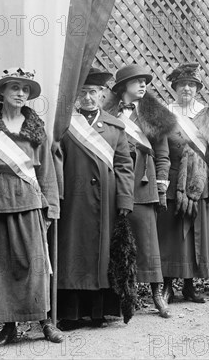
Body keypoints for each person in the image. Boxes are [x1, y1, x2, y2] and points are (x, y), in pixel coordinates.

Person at [0, 68, 64, 347]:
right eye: (14, 88)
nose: (20, 93)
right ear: (2, 93)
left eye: (25, 89)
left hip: (29, 202)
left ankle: (45, 321)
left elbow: (47, 174)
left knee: (35, 264)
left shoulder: (36, 129)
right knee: (0, 267)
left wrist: (50, 208)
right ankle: (9, 326)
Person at [56, 68, 135, 329]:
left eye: (93, 92)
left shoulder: (114, 127)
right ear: (75, 96)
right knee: (72, 253)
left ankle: (99, 311)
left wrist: (124, 200)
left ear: (102, 95)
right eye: (82, 93)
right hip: (73, 204)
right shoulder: (65, 125)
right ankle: (71, 314)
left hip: (107, 203)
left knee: (103, 256)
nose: (88, 98)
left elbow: (124, 166)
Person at [103, 64, 177, 318]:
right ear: (124, 87)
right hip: (116, 184)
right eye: (137, 81)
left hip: (145, 183)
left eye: (146, 81)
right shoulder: (107, 114)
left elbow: (164, 155)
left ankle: (157, 293)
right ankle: (124, 296)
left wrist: (162, 184)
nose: (144, 85)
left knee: (148, 241)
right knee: (120, 240)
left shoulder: (154, 116)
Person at [158, 63, 209, 303]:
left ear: (197, 88)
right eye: (182, 84)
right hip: (173, 179)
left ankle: (189, 285)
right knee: (170, 236)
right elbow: (159, 151)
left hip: (199, 181)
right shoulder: (165, 113)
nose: (186, 88)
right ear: (175, 87)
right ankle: (167, 285)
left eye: (191, 85)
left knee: (194, 236)